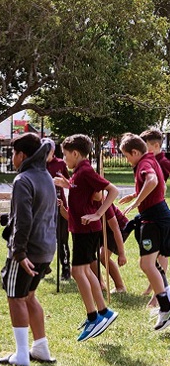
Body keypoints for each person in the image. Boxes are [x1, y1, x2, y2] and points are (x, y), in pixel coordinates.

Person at [0, 133, 56, 366]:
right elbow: (35, 214)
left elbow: (25, 220)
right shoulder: (46, 176)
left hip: (27, 251)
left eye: (13, 153)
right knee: (29, 296)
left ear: (22, 155)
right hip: (46, 248)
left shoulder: (23, 179)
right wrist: (4, 218)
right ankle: (41, 348)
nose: (12, 158)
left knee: (15, 297)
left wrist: (19, 252)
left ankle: (22, 354)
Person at [53, 134, 119, 341]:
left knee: (76, 271)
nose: (64, 159)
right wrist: (67, 185)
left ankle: (93, 317)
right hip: (82, 230)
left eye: (65, 155)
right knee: (86, 271)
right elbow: (78, 187)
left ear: (75, 153)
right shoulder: (78, 173)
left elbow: (112, 190)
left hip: (87, 230)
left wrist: (99, 214)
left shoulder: (86, 172)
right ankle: (103, 312)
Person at [118, 133, 170, 331]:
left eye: (126, 156)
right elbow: (161, 186)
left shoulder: (144, 164)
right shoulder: (150, 159)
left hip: (154, 220)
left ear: (135, 152)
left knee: (147, 264)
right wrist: (135, 193)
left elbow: (154, 181)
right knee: (153, 264)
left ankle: (165, 308)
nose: (127, 160)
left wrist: (136, 202)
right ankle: (165, 302)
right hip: (159, 216)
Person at [139, 129, 170, 305]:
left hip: (159, 213)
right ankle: (154, 289)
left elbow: (161, 186)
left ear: (156, 145)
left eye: (145, 146)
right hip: (154, 211)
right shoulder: (151, 160)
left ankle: (157, 297)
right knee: (151, 258)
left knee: (161, 256)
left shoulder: (162, 162)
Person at [46, 139, 72, 280]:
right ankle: (44, 265)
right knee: (45, 238)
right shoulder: (38, 164)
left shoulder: (61, 164)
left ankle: (66, 268)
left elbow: (69, 183)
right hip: (44, 208)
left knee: (62, 240)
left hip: (60, 206)